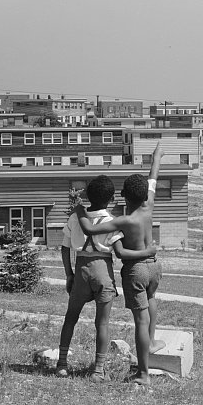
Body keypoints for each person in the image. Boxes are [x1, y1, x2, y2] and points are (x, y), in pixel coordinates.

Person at [76, 141, 165, 386]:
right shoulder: (149, 206)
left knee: (140, 320)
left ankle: (144, 374)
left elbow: (89, 229)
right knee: (152, 300)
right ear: (145, 194)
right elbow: (154, 175)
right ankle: (153, 341)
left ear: (124, 196)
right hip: (154, 266)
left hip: (135, 271)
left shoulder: (123, 221)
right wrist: (157, 155)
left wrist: (80, 209)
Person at [54, 174, 155, 381]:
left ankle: (62, 364)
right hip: (103, 271)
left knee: (70, 318)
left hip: (80, 268)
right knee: (102, 323)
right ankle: (98, 370)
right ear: (111, 199)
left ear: (89, 195)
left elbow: (64, 248)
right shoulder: (112, 221)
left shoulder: (75, 217)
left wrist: (69, 274)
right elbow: (118, 249)